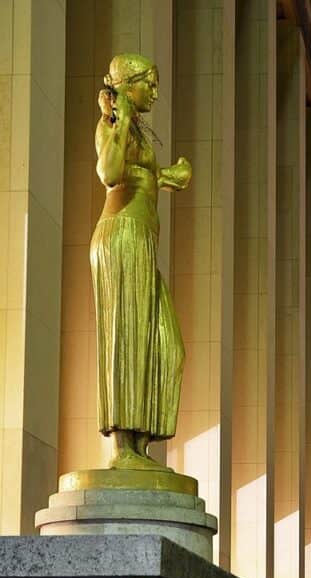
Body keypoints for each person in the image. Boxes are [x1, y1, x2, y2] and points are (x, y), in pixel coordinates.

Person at [91, 54, 192, 469]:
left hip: (142, 242)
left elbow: (142, 176)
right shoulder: (112, 127)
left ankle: (140, 443)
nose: (154, 91)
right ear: (127, 85)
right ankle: (123, 447)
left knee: (168, 348)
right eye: (148, 83)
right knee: (126, 336)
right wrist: (123, 119)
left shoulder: (135, 135)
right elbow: (110, 172)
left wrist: (172, 176)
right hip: (122, 237)